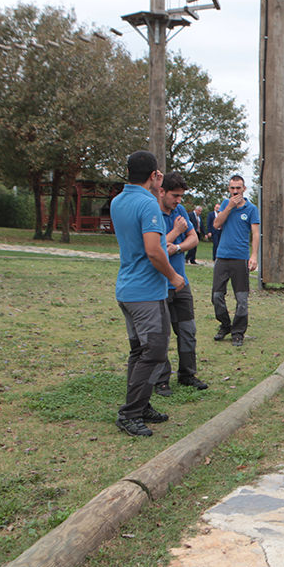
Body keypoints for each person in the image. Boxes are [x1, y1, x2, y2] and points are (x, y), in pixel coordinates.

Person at [110, 151, 185, 437]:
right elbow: (154, 251)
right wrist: (174, 276)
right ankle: (130, 414)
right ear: (154, 175)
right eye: (160, 173)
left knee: (138, 351)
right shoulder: (148, 205)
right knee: (153, 351)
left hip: (127, 289)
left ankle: (139, 405)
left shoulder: (118, 201)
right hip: (146, 293)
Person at [151, 173, 209, 396]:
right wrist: (175, 233)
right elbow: (154, 246)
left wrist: (177, 247)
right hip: (159, 285)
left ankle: (187, 375)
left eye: (181, 196)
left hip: (181, 282)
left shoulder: (181, 211)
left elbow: (193, 238)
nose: (178, 201)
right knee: (161, 335)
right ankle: (161, 379)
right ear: (162, 191)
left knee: (187, 330)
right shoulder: (152, 212)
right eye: (175, 196)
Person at [211, 175, 259, 346]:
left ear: (244, 189)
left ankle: (238, 333)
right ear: (229, 189)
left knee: (242, 299)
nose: (235, 191)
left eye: (238, 188)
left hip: (240, 258)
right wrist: (229, 207)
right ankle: (225, 325)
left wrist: (253, 256)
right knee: (217, 296)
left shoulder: (252, 209)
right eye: (232, 188)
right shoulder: (225, 204)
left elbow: (255, 234)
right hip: (222, 257)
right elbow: (216, 224)